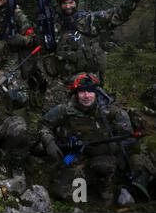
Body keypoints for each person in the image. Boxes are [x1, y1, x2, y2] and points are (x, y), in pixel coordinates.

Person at [38, 0, 148, 112]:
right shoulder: (53, 25)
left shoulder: (90, 20)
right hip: (64, 81)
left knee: (99, 115)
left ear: (76, 2)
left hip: (88, 79)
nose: (68, 7)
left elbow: (118, 14)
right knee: (50, 113)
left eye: (71, 2)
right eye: (65, 4)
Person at [39, 72, 148, 205]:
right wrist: (49, 142)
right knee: (59, 192)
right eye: (82, 92)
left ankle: (110, 189)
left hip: (104, 157)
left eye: (90, 92)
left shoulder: (112, 112)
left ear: (96, 93)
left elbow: (129, 140)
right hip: (74, 153)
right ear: (75, 93)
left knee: (104, 169)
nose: (86, 96)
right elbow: (44, 125)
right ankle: (83, 180)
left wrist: (107, 148)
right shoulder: (64, 110)